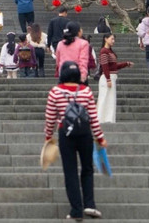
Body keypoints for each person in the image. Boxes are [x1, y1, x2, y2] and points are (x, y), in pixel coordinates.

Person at [44, 61, 106, 221]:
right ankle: (90, 204)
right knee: (87, 169)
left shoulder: (55, 92)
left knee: (70, 172)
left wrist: (48, 136)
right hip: (85, 134)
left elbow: (50, 117)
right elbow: (93, 116)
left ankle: (76, 210)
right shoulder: (86, 91)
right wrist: (100, 137)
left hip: (66, 135)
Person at [96, 34, 132, 123]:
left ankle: (108, 119)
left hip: (111, 77)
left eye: (114, 39)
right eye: (112, 39)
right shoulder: (104, 51)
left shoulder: (109, 51)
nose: (113, 41)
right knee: (104, 98)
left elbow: (114, 66)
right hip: (107, 78)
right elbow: (105, 66)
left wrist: (126, 64)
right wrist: (108, 79)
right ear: (105, 39)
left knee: (110, 100)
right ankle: (100, 119)